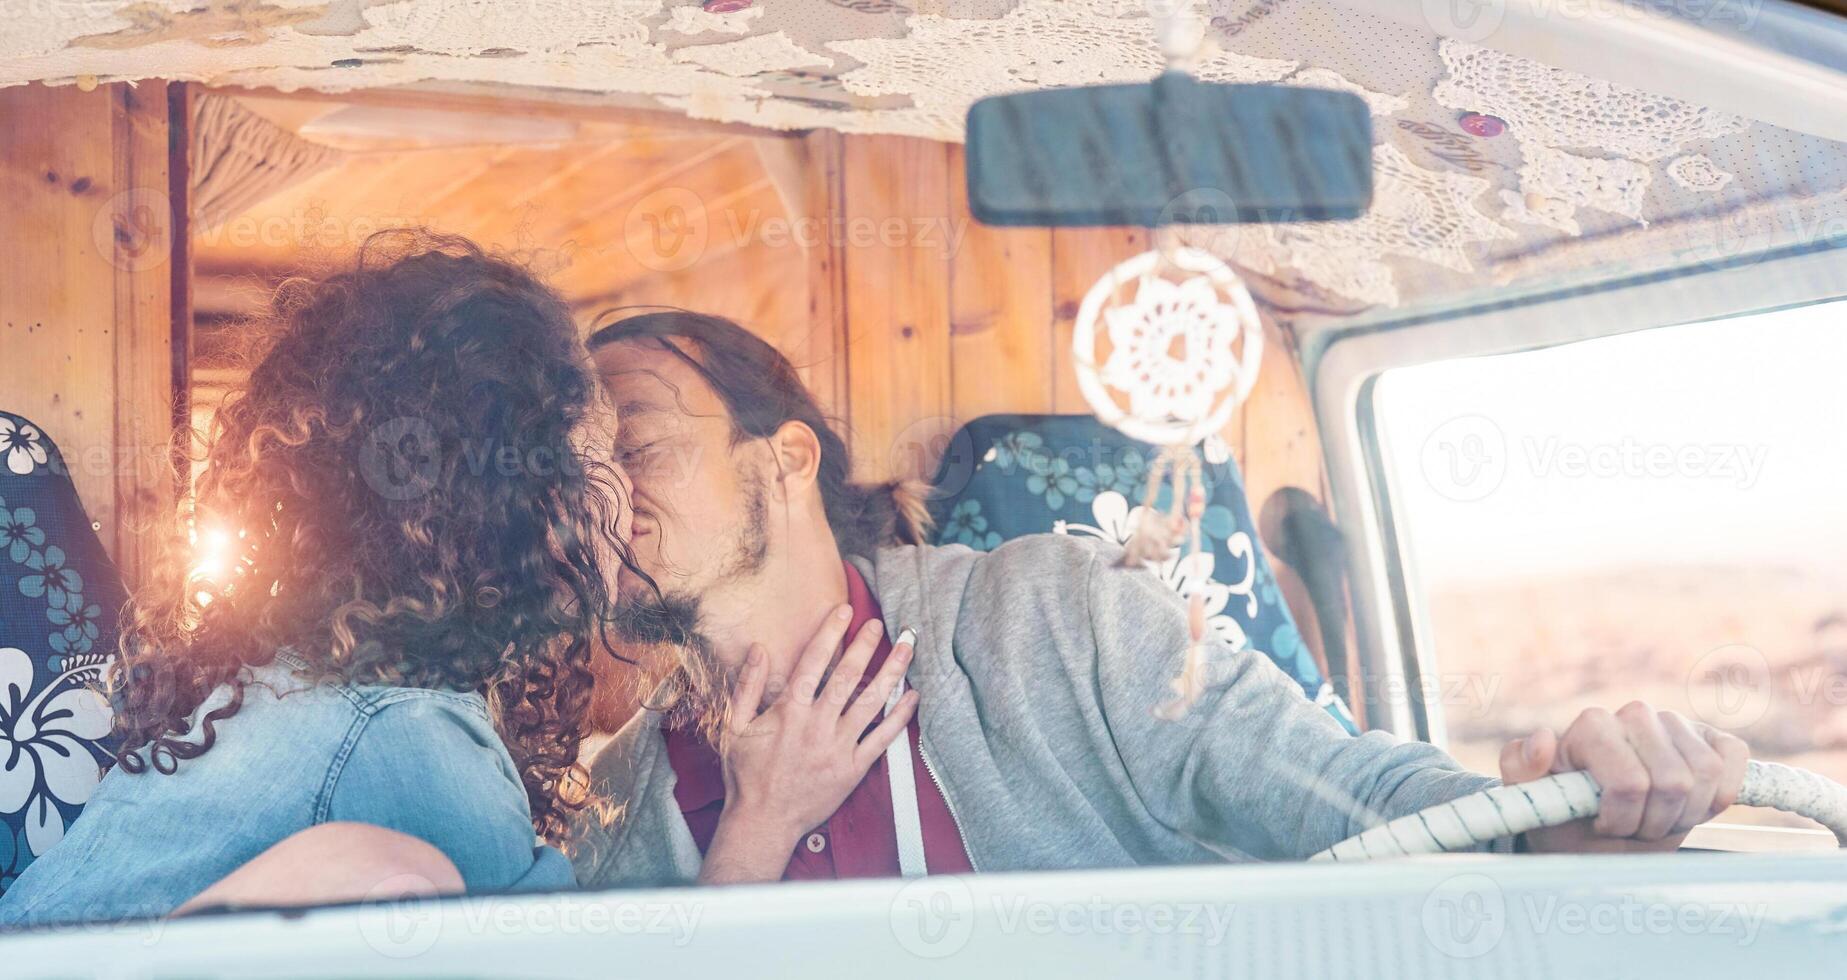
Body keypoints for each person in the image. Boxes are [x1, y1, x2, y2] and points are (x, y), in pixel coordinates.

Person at [571, 310, 1751, 886]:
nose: (603, 492)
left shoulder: (1059, 618)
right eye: (580, 468)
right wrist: (749, 835)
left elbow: (1351, 794)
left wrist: (1559, 812)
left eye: (639, 443)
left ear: (783, 459)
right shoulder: (619, 796)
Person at [0, 234, 841, 926]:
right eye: (599, 449)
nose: (622, 490)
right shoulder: (402, 733)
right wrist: (761, 825)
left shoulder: (306, 685)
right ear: (519, 493)